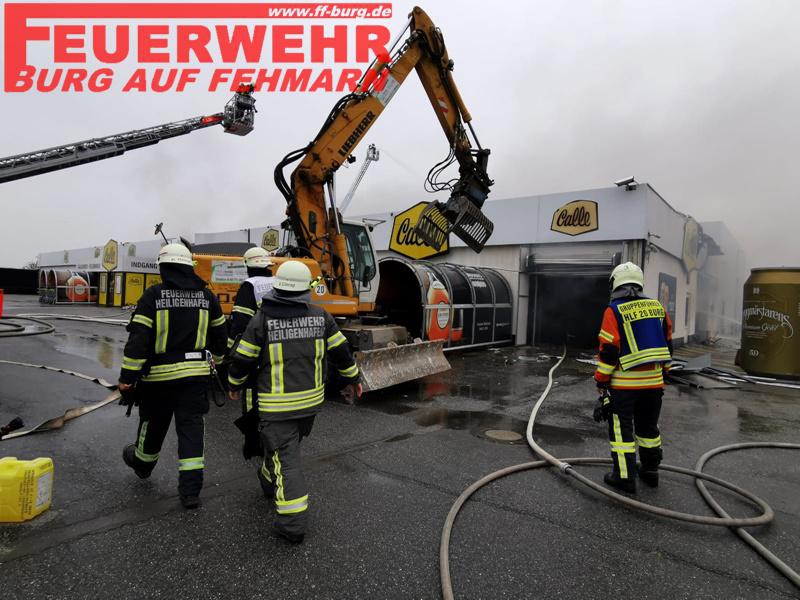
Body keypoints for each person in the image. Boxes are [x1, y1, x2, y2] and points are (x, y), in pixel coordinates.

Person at [227, 260, 362, 543]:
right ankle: (268, 480)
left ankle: (292, 524)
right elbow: (342, 352)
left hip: (277, 407)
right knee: (283, 450)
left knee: (287, 461)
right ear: (305, 289)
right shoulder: (321, 316)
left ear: (277, 287)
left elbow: (243, 358)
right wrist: (354, 379)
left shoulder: (263, 319)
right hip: (310, 405)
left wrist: (234, 384)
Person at [118, 243, 227, 509]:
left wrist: (127, 378)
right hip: (196, 378)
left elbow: (138, 340)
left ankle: (143, 465)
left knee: (153, 425)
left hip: (158, 380)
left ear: (164, 268)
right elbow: (220, 336)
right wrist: (218, 362)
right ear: (189, 267)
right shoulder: (207, 296)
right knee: (191, 431)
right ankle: (190, 492)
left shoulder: (153, 296)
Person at [593, 262, 673, 494]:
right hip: (654, 385)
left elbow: (609, 350)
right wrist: (665, 372)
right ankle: (650, 471)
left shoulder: (614, 310)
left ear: (615, 283)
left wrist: (601, 380)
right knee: (649, 429)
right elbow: (667, 344)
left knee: (622, 433)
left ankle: (624, 477)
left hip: (624, 387)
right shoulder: (657, 307)